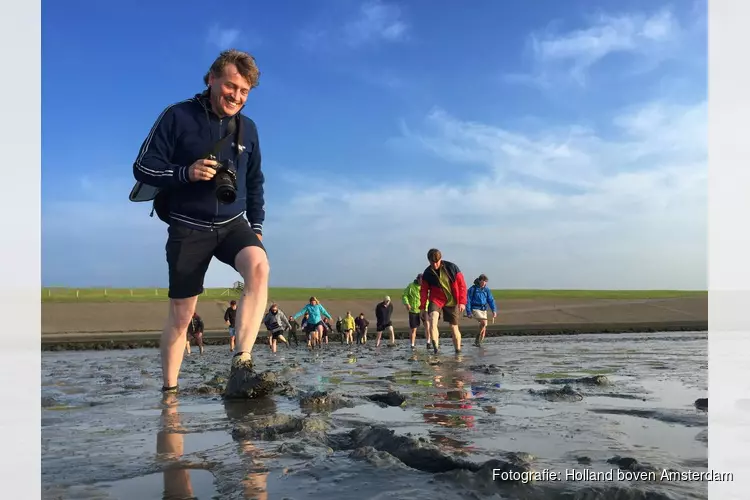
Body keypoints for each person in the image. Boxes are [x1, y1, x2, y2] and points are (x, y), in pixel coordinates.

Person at [131, 49, 267, 394]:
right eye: (231, 87)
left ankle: (242, 361)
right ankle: (170, 392)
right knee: (181, 315)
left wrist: (258, 227)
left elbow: (254, 182)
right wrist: (186, 172)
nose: (236, 96)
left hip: (233, 223)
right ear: (212, 79)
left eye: (244, 92)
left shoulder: (248, 129)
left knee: (259, 267)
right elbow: (142, 167)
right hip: (187, 225)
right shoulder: (177, 116)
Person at [419, 248, 467, 354]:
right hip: (436, 299)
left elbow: (462, 285)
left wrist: (462, 302)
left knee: (454, 326)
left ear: (440, 259)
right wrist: (422, 307)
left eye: (437, 262)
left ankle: (458, 351)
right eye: (432, 262)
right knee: (432, 320)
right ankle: (436, 349)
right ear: (429, 261)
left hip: (452, 300)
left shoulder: (452, 267)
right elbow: (423, 291)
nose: (435, 265)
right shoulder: (427, 273)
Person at [466, 274, 497, 346]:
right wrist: (469, 312)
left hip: (483, 309)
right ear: (479, 281)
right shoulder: (472, 289)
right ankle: (477, 338)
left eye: (485, 282)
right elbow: (468, 301)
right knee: (483, 323)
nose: (484, 284)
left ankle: (479, 344)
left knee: (484, 327)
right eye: (483, 282)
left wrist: (494, 310)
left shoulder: (486, 290)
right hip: (475, 309)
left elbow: (491, 300)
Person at [402, 274, 431, 349]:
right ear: (418, 279)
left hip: (425, 309)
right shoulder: (411, 286)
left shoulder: (426, 286)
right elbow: (404, 295)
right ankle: (412, 345)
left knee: (427, 325)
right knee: (413, 328)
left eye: (423, 280)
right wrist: (407, 303)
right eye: (421, 280)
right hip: (414, 310)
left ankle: (428, 342)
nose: (422, 282)